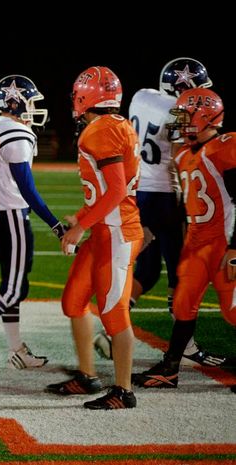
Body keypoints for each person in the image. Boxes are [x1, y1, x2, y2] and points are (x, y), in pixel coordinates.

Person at [96, 58, 226, 367]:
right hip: (167, 196)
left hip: (138, 191)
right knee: (181, 271)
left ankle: (110, 331)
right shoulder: (183, 113)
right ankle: (187, 345)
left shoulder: (142, 96)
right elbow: (187, 150)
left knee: (148, 270)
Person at [47, 66, 143, 410]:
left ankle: (123, 390)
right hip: (105, 229)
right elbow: (109, 188)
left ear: (86, 96)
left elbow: (117, 189)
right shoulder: (113, 126)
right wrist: (84, 216)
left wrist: (80, 224)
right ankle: (87, 375)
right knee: (73, 301)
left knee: (115, 314)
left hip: (117, 233)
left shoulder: (100, 131)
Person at [133, 88, 236, 389]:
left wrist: (234, 247)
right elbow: (186, 204)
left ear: (204, 117)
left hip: (222, 242)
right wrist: (151, 227)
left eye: (184, 115)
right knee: (182, 305)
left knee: (232, 310)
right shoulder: (182, 154)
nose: (178, 122)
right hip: (195, 241)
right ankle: (170, 369)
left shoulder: (224, 148)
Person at [0, 74, 65, 370]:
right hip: (12, 214)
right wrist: (55, 224)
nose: (32, 108)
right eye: (29, 102)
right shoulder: (16, 132)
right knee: (14, 288)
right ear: (14, 103)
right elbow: (27, 189)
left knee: (13, 284)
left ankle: (16, 348)